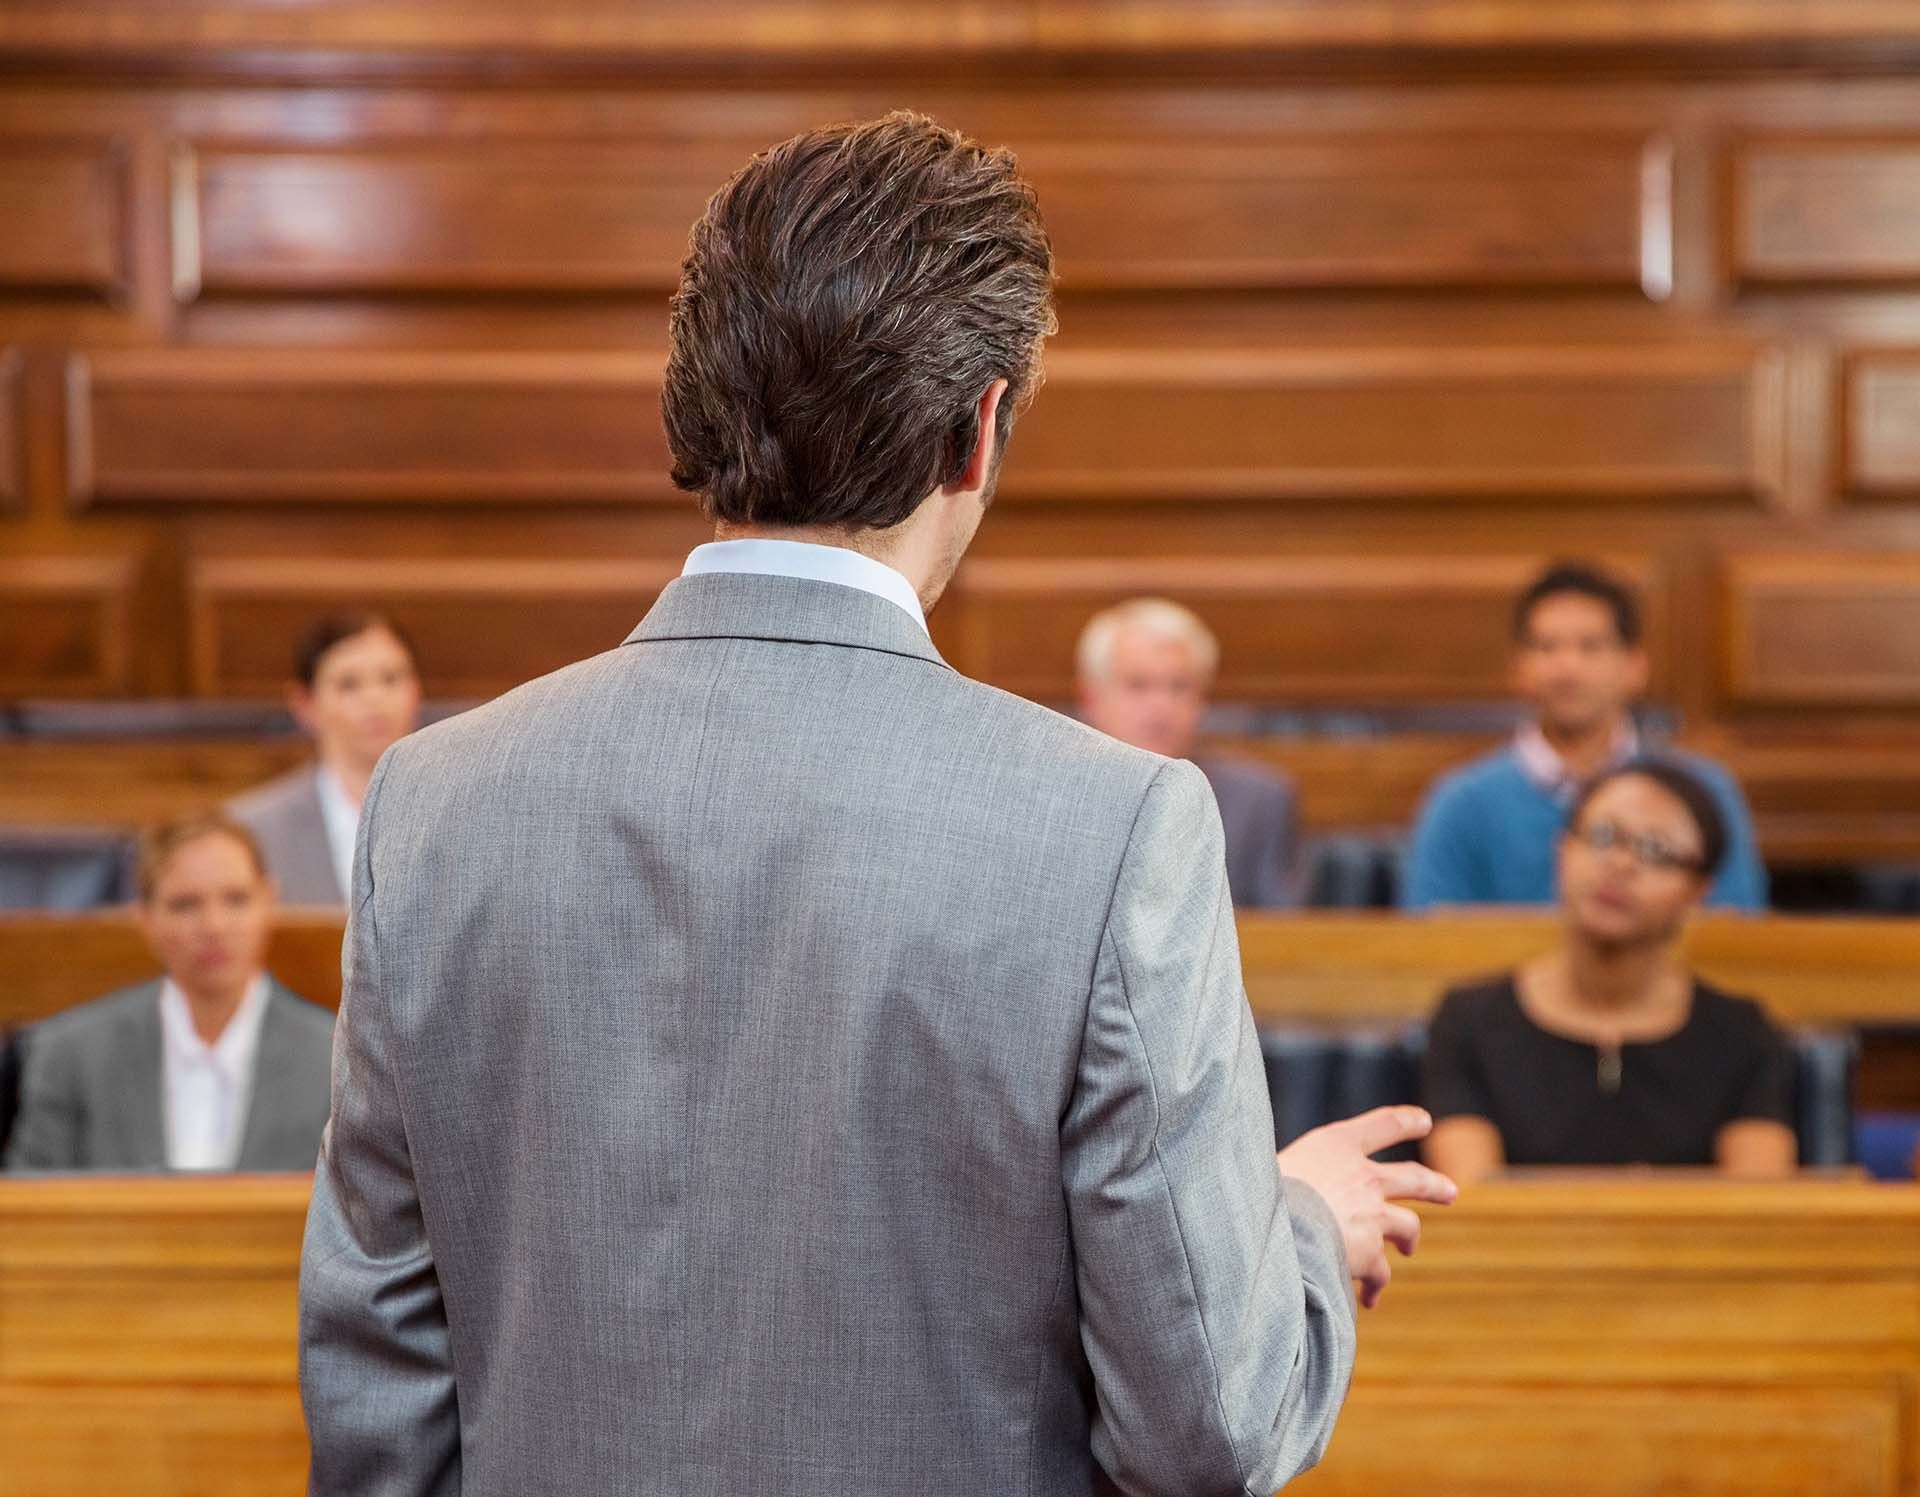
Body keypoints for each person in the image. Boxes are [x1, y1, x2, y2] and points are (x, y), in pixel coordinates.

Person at [299, 113, 1454, 1497]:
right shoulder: (1114, 826)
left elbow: (378, 1396)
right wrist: (1305, 1233)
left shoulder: (432, 800)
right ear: (979, 434)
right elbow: (1204, 1424)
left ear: (695, 405)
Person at [1421, 759, 1798, 1183]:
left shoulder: (1743, 1034)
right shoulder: (1469, 1021)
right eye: (1603, 836)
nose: (1621, 864)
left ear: (1698, 892)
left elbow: (1756, 1210)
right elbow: (1473, 1199)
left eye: (1656, 851)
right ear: (1562, 850)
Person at [1403, 562, 1767, 911]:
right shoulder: (1460, 802)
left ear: (1635, 666)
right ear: (1519, 669)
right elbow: (1430, 941)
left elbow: (1737, 935)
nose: (1568, 667)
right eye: (1547, 647)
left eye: (1590, 646)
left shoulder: (1704, 792)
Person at [5, 812, 334, 1172]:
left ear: (269, 901)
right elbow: (27, 1211)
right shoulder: (70, 1054)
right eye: (185, 904)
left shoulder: (337, 1058)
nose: (214, 926)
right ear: (144, 916)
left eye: (236, 899)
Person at [1077, 597, 1301, 908]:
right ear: (1091, 698)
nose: (1162, 706)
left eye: (1179, 687)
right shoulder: (1054, 794)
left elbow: (1284, 937)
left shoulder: (1257, 799)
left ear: (1203, 700)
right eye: (1138, 685)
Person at [229, 613, 422, 906]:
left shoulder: (462, 816)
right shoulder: (251, 830)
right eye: (348, 684)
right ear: (305, 703)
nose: (374, 698)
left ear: (416, 692)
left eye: (391, 678)